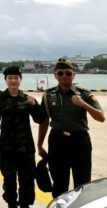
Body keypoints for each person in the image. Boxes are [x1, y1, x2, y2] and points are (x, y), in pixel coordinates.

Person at [37, 58, 105, 198]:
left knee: (83, 183)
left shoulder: (84, 94)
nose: (64, 76)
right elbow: (44, 121)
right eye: (60, 73)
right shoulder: (48, 95)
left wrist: (83, 104)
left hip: (80, 141)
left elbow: (101, 118)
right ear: (55, 75)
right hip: (57, 141)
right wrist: (39, 144)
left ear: (74, 74)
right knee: (59, 183)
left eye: (68, 73)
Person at [0, 66, 45, 208]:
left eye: (16, 77)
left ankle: (25, 206)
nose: (13, 80)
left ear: (20, 80)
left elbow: (40, 119)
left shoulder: (27, 99)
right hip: (7, 148)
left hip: (25, 148)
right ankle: (12, 205)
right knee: (9, 182)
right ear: (5, 80)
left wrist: (34, 106)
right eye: (10, 78)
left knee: (27, 182)